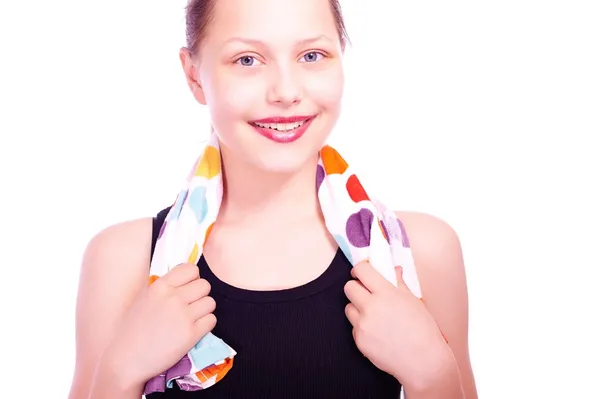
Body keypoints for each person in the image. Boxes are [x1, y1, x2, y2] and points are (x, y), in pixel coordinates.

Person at [68, 0, 478, 398]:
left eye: (312, 55)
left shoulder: (417, 253)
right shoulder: (126, 260)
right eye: (247, 60)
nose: (286, 91)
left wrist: (433, 375)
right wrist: (120, 372)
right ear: (194, 76)